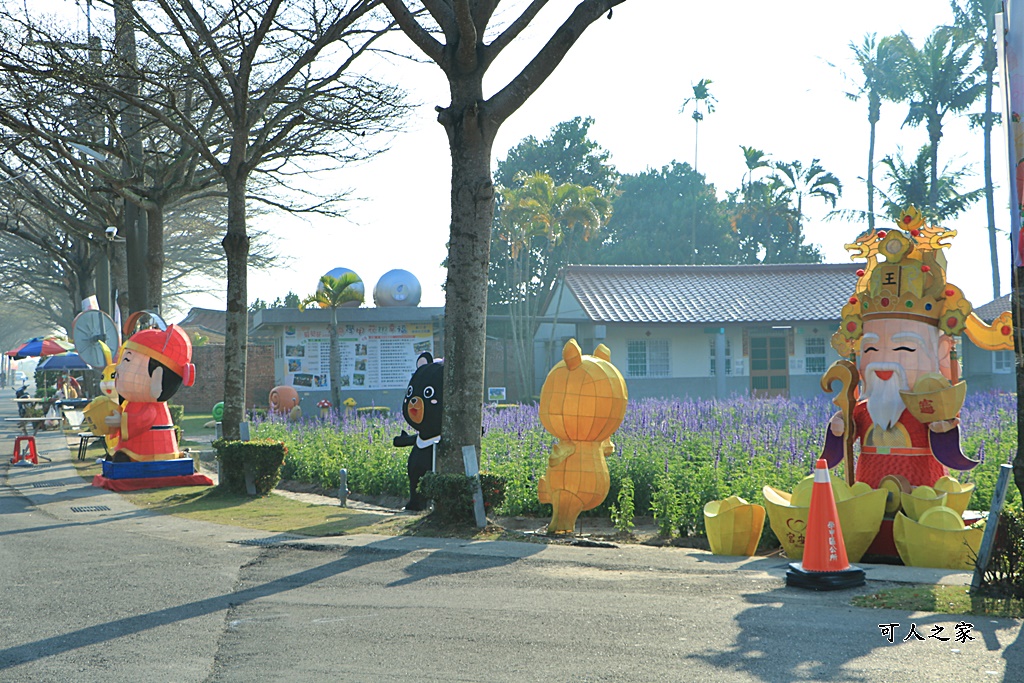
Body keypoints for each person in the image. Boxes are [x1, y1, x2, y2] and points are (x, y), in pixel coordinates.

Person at [822, 209, 1013, 488]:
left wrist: (942, 428)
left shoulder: (927, 408)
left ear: (940, 352)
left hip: (919, 488)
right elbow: (841, 446)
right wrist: (839, 430)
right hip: (869, 486)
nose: (883, 364)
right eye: (872, 351)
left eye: (904, 350)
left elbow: (945, 443)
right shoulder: (863, 411)